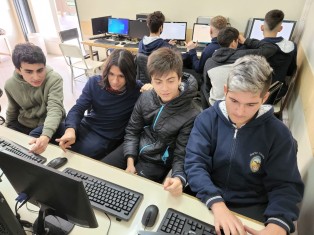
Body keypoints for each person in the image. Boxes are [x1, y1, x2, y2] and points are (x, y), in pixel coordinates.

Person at [185, 55, 304, 235]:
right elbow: (195, 163)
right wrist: (217, 203)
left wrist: (276, 227)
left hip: (251, 210)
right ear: (225, 90)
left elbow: (285, 186)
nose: (240, 112)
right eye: (234, 101)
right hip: (208, 199)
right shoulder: (206, 119)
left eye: (250, 104)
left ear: (264, 98)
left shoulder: (279, 134)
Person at [103, 48, 200, 196]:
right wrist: (130, 161)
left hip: (156, 160)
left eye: (170, 80)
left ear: (180, 78)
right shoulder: (146, 97)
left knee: (129, 193)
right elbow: (132, 130)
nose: (164, 88)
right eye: (158, 81)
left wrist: (179, 177)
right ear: (151, 80)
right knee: (101, 172)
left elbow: (181, 154)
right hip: (135, 146)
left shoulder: (192, 113)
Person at [56, 49, 143, 160]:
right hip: (86, 125)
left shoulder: (137, 89)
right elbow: (78, 109)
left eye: (121, 76)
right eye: (111, 74)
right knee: (42, 132)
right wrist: (70, 130)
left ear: (129, 75)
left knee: (76, 156)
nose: (115, 81)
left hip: (105, 137)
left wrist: (152, 88)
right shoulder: (94, 82)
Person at [4, 42, 65, 154]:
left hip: (48, 124)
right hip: (24, 124)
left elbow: (55, 109)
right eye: (29, 71)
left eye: (40, 70)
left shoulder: (54, 79)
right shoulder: (9, 84)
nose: (36, 77)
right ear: (18, 70)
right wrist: (6, 128)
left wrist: (45, 135)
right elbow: (12, 109)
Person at [202, 27, 277, 106]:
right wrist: (246, 41)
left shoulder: (209, 62)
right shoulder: (245, 56)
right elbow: (271, 48)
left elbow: (207, 87)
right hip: (238, 104)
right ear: (234, 42)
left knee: (203, 85)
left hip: (216, 105)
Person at [261, 9, 297, 104]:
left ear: (262, 27)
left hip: (257, 95)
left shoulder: (257, 47)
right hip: (277, 94)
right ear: (281, 29)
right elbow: (291, 70)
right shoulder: (292, 46)